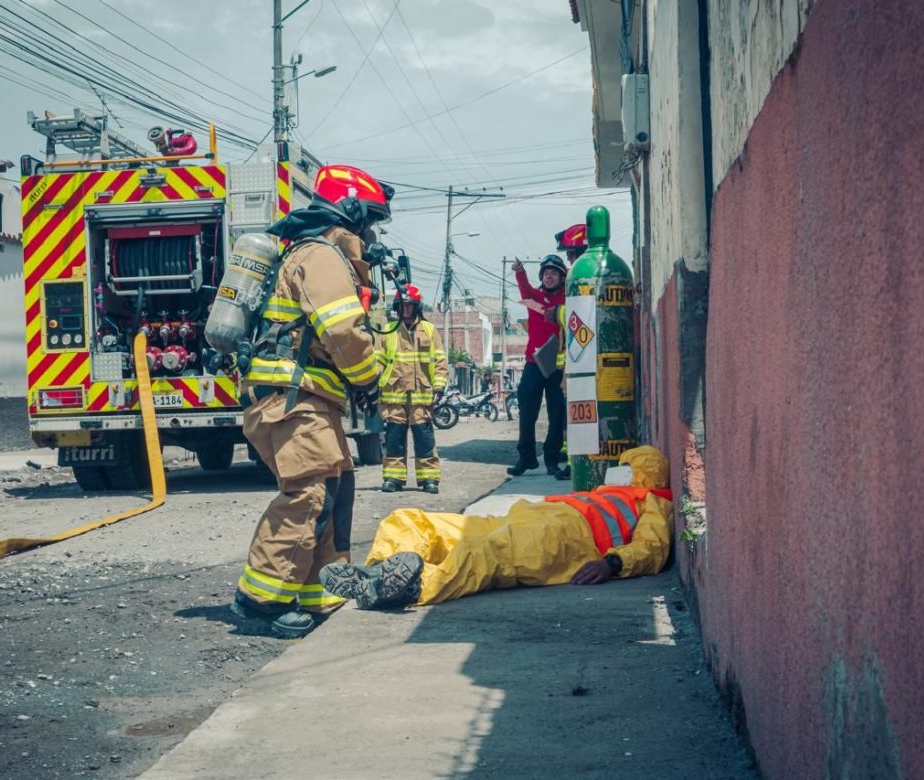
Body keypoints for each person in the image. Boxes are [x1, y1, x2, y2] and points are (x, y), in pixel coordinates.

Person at [231, 163, 394, 638]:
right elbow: (342, 329)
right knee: (307, 494)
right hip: (291, 397)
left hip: (308, 396)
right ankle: (259, 599)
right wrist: (368, 379)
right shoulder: (321, 255)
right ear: (349, 212)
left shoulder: (324, 255)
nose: (372, 233)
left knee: (336, 488)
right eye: (370, 221)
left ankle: (318, 589)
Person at [320, 446, 673, 608]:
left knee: (482, 554)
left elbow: (652, 549)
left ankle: (415, 588)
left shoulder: (653, 501)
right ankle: (379, 572)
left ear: (643, 473)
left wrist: (611, 563)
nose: (621, 470)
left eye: (628, 466)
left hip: (565, 539)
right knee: (411, 519)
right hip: (528, 517)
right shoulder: (611, 491)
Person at [376, 283, 448, 494]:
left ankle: (429, 479)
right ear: (397, 307)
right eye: (402, 305)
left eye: (409, 306)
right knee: (394, 440)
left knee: (424, 440)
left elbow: (440, 361)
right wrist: (371, 385)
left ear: (416, 307)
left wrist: (439, 388)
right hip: (394, 395)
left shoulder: (429, 330)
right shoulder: (388, 330)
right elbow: (378, 360)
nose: (405, 310)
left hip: (421, 396)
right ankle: (393, 478)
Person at [508, 254, 568, 476]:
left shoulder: (568, 298)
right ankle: (527, 458)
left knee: (557, 412)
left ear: (562, 277)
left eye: (554, 273)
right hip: (534, 363)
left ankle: (551, 458)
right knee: (527, 411)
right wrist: (519, 271)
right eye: (545, 273)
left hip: (558, 366)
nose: (549, 276)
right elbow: (524, 289)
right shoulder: (536, 297)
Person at [548, 224, 588, 481]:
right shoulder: (589, 271)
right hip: (579, 362)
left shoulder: (583, 273)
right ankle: (576, 462)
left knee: (579, 415)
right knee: (577, 414)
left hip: (582, 363)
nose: (569, 260)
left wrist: (557, 314)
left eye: (570, 254)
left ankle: (578, 464)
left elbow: (581, 313)